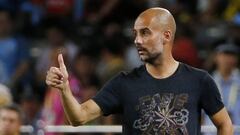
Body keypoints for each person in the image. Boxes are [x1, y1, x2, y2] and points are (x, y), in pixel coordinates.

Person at [46, 8, 233, 135]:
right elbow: (78, 117)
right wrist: (64, 89)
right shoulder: (123, 82)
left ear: (166, 36)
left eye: (145, 32)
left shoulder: (199, 80)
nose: (137, 40)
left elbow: (224, 124)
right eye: (135, 34)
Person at [203, 43, 240, 135]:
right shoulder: (206, 82)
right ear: (215, 57)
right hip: (211, 132)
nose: (228, 59)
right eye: (224, 55)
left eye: (232, 55)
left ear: (237, 59)